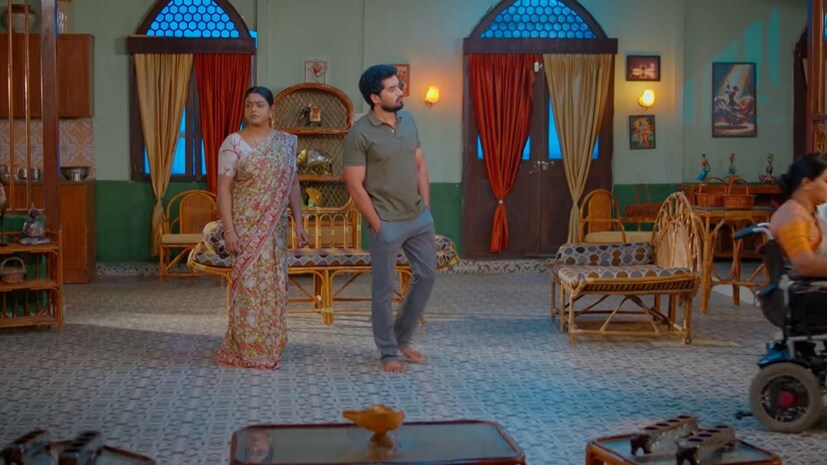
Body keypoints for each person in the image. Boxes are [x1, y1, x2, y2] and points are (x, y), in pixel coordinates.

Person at [344, 64, 437, 373]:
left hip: (417, 216)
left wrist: (426, 208)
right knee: (383, 290)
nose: (400, 92)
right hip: (385, 220)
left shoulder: (409, 121)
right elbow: (354, 185)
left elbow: (420, 164)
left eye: (399, 86)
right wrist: (377, 224)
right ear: (375, 97)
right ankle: (387, 352)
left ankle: (401, 338)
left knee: (427, 276)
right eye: (393, 88)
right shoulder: (360, 133)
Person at [215, 86, 308, 369]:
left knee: (272, 286)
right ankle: (244, 348)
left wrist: (299, 223)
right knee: (247, 288)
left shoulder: (285, 143)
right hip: (245, 227)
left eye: (259, 105)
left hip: (274, 230)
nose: (253, 109)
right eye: (248, 105)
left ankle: (269, 346)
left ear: (271, 110)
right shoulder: (233, 143)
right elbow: (223, 189)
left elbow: (293, 184)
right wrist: (229, 231)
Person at [769, 154, 827, 277]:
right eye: (826, 181)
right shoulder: (791, 216)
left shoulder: (808, 212)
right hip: (809, 287)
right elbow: (805, 265)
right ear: (806, 183)